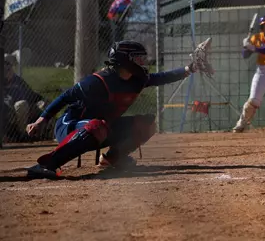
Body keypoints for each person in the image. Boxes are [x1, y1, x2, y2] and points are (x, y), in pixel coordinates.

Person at [24, 40, 202, 179]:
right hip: (70, 126)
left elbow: (162, 77)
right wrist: (41, 120)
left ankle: (112, 158)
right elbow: (65, 97)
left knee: (146, 124)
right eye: (138, 58)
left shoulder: (136, 79)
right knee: (96, 126)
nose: (143, 62)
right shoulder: (98, 81)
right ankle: (46, 165)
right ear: (125, 60)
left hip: (101, 128)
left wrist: (191, 68)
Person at [3, 55, 47, 141]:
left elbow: (30, 93)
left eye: (10, 69)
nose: (9, 71)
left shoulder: (17, 80)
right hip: (9, 110)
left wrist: (42, 100)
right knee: (21, 104)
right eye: (6, 70)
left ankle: (48, 134)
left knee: (45, 104)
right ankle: (23, 134)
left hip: (24, 108)